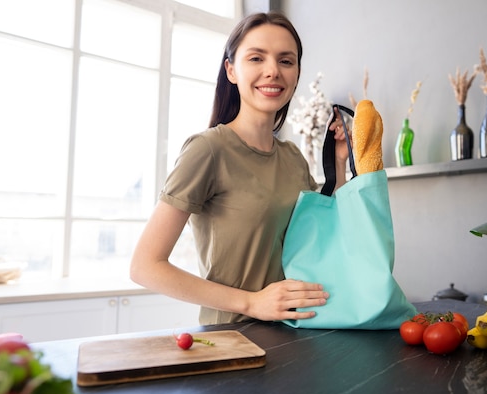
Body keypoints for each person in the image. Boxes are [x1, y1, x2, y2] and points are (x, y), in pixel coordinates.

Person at [130, 11, 351, 325]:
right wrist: (251, 302)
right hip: (231, 342)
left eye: (286, 61)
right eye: (257, 58)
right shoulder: (208, 150)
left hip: (295, 334)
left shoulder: (292, 158)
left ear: (297, 73)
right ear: (231, 70)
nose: (273, 71)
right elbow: (145, 266)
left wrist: (339, 163)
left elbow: (327, 236)